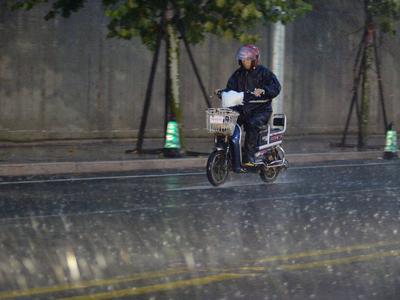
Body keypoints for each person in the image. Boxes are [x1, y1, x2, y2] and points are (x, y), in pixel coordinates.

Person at [225, 44, 281, 166]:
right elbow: (230, 88)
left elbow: (276, 87)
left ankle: (250, 157)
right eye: (243, 59)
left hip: (261, 110)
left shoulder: (264, 73)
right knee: (227, 123)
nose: (244, 61)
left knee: (252, 124)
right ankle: (229, 153)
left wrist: (264, 90)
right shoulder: (237, 74)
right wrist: (223, 92)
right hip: (242, 109)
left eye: (247, 59)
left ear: (254, 60)